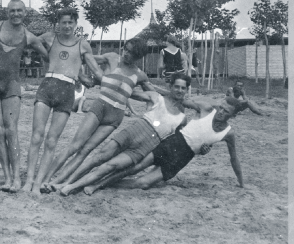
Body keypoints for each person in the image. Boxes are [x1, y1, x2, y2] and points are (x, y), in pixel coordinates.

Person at [81, 96, 269, 194]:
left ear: (233, 115)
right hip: (173, 142)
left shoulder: (228, 133)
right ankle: (97, 184)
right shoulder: (206, 109)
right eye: (221, 108)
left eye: (226, 112)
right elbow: (183, 100)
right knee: (135, 167)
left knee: (143, 183)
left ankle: (104, 183)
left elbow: (233, 159)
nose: (221, 113)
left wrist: (241, 183)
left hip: (183, 157)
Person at [40, 38, 160, 192]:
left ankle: (57, 182)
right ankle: (44, 179)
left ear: (139, 56)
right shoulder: (111, 58)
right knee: (75, 146)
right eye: (126, 49)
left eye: (132, 53)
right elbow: (83, 57)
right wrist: (76, 68)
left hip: (116, 116)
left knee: (86, 150)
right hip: (100, 106)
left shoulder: (140, 75)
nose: (127, 54)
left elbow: (153, 94)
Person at [55, 73, 193, 196]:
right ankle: (65, 182)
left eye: (183, 88)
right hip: (134, 131)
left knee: (110, 166)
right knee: (99, 157)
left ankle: (73, 186)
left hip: (146, 146)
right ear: (170, 87)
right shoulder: (156, 97)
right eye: (177, 87)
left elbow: (177, 141)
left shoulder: (182, 119)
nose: (179, 90)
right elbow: (130, 93)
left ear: (187, 90)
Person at [0, 0, 49, 192]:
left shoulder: (29, 37)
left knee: (11, 130)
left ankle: (16, 178)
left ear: (24, 13)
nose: (16, 14)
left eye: (19, 11)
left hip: (11, 85)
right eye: (12, 11)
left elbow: (49, 56)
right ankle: (6, 177)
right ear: (7, 12)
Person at [22, 8, 103, 195]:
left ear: (76, 24)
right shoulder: (50, 37)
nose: (67, 26)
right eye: (63, 22)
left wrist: (96, 79)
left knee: (51, 141)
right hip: (47, 86)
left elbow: (96, 71)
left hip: (66, 92)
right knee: (36, 136)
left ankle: (38, 183)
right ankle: (28, 180)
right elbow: (29, 40)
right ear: (58, 23)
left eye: (70, 22)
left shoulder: (83, 45)